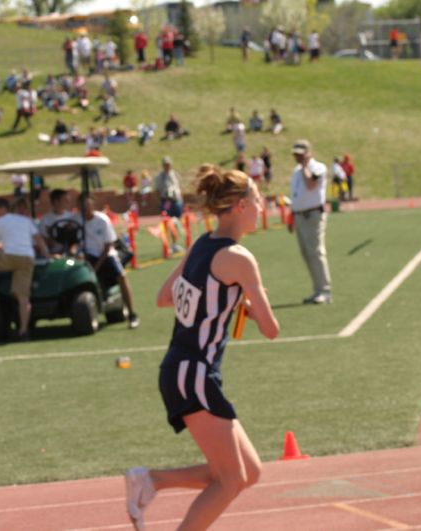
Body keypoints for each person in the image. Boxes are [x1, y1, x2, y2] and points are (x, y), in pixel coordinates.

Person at [125, 165, 279, 530]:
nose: (262, 207)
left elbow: (165, 298)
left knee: (247, 472)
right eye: (258, 200)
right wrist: (249, 304)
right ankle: (152, 485)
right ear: (241, 205)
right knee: (230, 480)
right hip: (194, 371)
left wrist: (227, 301)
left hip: (180, 368)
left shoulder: (201, 245)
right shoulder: (240, 258)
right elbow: (272, 329)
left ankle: (152, 480)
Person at [0, 197, 49, 341]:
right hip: (27, 258)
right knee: (23, 298)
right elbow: (38, 239)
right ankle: (23, 330)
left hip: (10, 257)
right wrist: (47, 255)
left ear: (3, 209)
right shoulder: (26, 221)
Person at [78, 193, 139, 329]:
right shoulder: (78, 221)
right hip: (87, 256)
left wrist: (97, 266)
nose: (86, 209)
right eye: (83, 206)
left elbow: (108, 246)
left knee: (121, 276)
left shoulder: (102, 220)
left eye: (88, 205)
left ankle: (132, 313)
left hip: (105, 255)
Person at [289, 139, 332, 304]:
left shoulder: (317, 167)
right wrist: (292, 215)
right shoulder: (296, 170)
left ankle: (324, 290)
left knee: (316, 252)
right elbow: (296, 194)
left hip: (312, 215)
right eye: (296, 154)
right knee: (307, 254)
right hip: (299, 215)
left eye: (301, 154)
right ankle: (317, 289)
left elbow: (311, 184)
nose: (297, 157)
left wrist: (305, 166)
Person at [154, 156, 184, 253]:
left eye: (169, 164)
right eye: (165, 164)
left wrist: (180, 199)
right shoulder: (160, 176)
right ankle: (166, 245)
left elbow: (179, 187)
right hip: (166, 201)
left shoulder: (175, 174)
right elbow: (157, 190)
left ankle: (175, 243)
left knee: (176, 223)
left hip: (176, 201)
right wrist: (160, 201)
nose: (167, 166)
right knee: (166, 223)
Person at [40, 188, 78, 255]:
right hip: (54, 253)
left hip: (72, 251)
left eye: (68, 200)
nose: (68, 202)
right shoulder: (46, 219)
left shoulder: (72, 217)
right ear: (56, 201)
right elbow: (44, 239)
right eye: (65, 200)